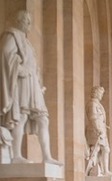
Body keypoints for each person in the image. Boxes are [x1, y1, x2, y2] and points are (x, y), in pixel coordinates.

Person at [0, 10, 60, 165]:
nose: (29, 24)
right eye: (26, 20)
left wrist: (38, 84)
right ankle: (16, 156)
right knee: (21, 116)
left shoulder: (27, 42)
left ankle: (47, 156)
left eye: (29, 21)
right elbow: (5, 55)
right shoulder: (11, 35)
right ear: (17, 21)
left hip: (33, 83)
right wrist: (20, 69)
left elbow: (33, 65)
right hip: (22, 81)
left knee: (43, 118)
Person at [85, 86, 112, 176]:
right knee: (97, 149)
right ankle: (94, 169)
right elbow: (92, 118)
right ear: (96, 93)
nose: (101, 95)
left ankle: (104, 170)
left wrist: (104, 126)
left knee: (105, 149)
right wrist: (98, 128)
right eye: (101, 93)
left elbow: (99, 118)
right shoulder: (92, 104)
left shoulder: (97, 104)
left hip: (101, 130)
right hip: (95, 131)